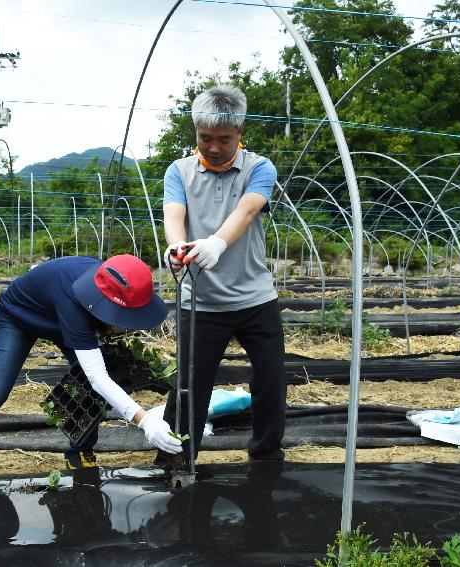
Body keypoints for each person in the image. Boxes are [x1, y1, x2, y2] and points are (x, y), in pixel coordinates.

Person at [0, 254, 183, 476]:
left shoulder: (112, 279)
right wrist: (144, 420)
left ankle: (80, 452)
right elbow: (98, 377)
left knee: (86, 391)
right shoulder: (73, 300)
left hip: (62, 318)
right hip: (20, 317)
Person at [160, 84, 286, 467]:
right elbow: (174, 214)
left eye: (224, 139)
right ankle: (176, 456)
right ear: (196, 132)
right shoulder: (179, 170)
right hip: (199, 300)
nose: (214, 147)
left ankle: (265, 456)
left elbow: (247, 212)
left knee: (270, 380)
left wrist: (215, 243)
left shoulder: (259, 168)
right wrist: (176, 247)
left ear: (239, 133)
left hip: (254, 298)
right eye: (205, 138)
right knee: (189, 385)